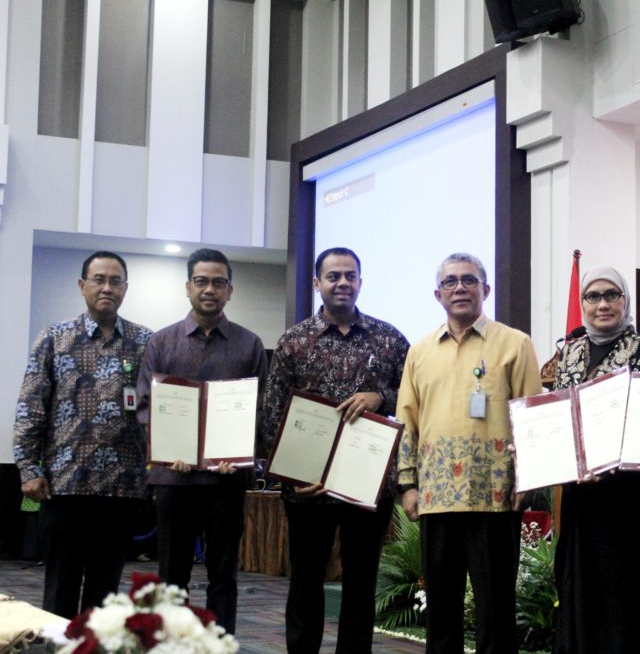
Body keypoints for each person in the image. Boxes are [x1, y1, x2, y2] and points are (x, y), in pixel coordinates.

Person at [261, 247, 409, 654]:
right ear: (317, 283)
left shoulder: (390, 339)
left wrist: (381, 396)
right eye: (333, 276)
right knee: (305, 580)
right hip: (308, 488)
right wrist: (290, 477)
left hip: (367, 484)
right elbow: (273, 413)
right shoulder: (293, 341)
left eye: (350, 275)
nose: (342, 282)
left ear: (360, 282)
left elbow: (415, 397)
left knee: (361, 582)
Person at [396, 252, 542, 654]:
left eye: (469, 280)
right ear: (438, 294)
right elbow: (407, 421)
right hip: (437, 496)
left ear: (486, 289)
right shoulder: (419, 352)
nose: (459, 288)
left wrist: (527, 478)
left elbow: (532, 417)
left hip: (495, 495)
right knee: (441, 609)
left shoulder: (515, 344)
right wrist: (408, 484)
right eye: (450, 282)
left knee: (496, 607)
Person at [13, 251, 152, 618]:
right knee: (61, 586)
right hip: (64, 485)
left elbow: (160, 408)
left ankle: (96, 645)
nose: (107, 288)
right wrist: (28, 469)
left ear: (125, 289)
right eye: (98, 279)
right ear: (82, 285)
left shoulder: (145, 342)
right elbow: (30, 405)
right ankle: (59, 645)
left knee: (105, 594)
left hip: (122, 486)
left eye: (115, 281)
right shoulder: (54, 338)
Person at [136, 248, 267, 635]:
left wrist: (239, 454)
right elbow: (145, 406)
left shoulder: (250, 344)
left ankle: (220, 643)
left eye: (218, 282)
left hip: (226, 480)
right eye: (202, 281)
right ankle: (171, 644)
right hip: (174, 479)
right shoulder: (161, 343)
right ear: (188, 287)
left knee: (223, 575)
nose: (210, 289)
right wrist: (168, 450)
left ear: (230, 290)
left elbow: (260, 409)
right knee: (171, 575)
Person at [551, 266, 640, 654]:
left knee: (620, 595)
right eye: (593, 296)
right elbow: (559, 415)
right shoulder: (571, 352)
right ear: (583, 303)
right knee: (577, 588)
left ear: (625, 300)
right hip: (581, 495)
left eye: (611, 295)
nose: (602, 304)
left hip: (626, 495)